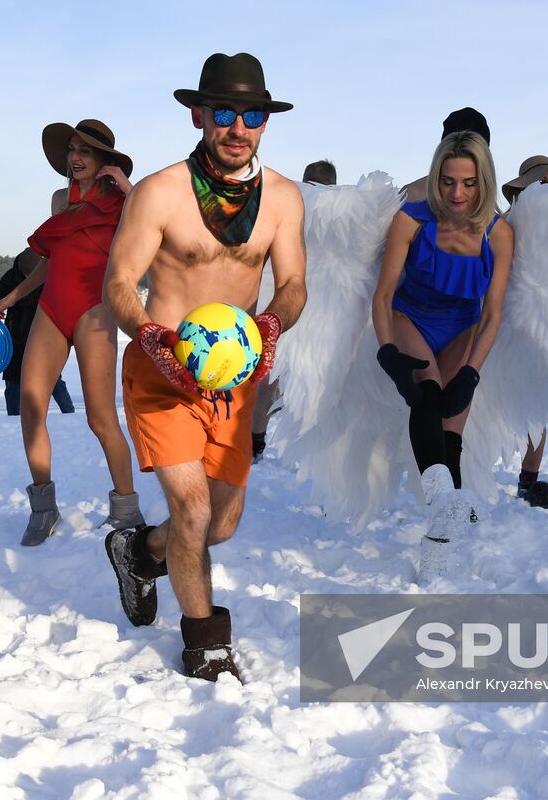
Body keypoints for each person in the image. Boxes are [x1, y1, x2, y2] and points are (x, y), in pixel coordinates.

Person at [102, 52, 306, 682]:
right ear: (198, 115)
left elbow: (294, 284)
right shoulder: (159, 193)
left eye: (250, 115)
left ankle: (140, 553)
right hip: (162, 372)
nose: (237, 127)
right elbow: (118, 283)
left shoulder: (283, 199)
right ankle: (207, 644)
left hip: (236, 383)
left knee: (218, 525)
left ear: (264, 122)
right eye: (223, 113)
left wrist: (271, 323)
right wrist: (152, 336)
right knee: (191, 509)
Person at [0, 119, 140, 543]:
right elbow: (51, 260)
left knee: (100, 418)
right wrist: (11, 298)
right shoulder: (60, 199)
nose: (75, 157)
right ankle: (43, 509)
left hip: (94, 311)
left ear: (105, 159)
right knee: (32, 406)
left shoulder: (127, 203)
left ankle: (127, 511)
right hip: (51, 309)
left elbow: (155, 233)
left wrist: (127, 189)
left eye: (85, 151)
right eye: (72, 149)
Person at [372, 131, 513, 546]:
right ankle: (442, 504)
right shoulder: (411, 220)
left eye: (469, 183)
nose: (457, 192)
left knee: (452, 429)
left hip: (463, 327)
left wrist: (471, 372)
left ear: (483, 182)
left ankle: (441, 542)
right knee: (427, 396)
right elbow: (382, 294)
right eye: (448, 180)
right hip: (410, 317)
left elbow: (493, 313)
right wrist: (386, 353)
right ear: (435, 178)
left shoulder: (499, 234)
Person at [498, 154, 548, 508]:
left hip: (546, 326)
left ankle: (528, 482)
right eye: (545, 181)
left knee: (537, 409)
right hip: (503, 322)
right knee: (486, 402)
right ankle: (465, 475)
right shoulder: (506, 222)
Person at [251, 158, 338, 462]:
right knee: (315, 379)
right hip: (321, 304)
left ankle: (255, 443)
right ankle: (311, 450)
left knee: (266, 376)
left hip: (277, 294)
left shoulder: (285, 201)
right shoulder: (339, 209)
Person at [0, 248, 75, 417]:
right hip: (14, 336)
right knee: (13, 380)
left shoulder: (47, 276)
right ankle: (13, 416)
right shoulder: (10, 277)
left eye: (31, 275)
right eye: (26, 275)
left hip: (42, 335)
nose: (29, 279)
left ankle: (70, 413)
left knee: (52, 377)